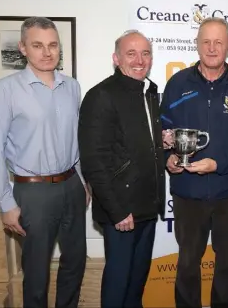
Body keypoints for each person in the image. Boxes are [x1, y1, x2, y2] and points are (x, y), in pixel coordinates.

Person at [0, 17, 90, 308]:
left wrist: (83, 182)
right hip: (33, 193)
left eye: (53, 45)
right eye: (38, 45)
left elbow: (76, 140)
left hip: (71, 186)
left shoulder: (72, 87)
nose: (47, 52)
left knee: (75, 262)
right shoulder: (4, 90)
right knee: (37, 272)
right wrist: (6, 204)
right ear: (23, 48)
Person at [161, 17, 228, 308]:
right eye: (206, 41)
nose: (212, 47)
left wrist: (219, 164)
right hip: (188, 192)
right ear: (196, 45)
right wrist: (167, 157)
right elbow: (163, 132)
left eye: (219, 41)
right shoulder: (177, 83)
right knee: (188, 262)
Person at [77, 30, 165, 308]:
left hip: (147, 206)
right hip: (121, 210)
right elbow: (93, 161)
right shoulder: (100, 95)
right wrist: (117, 210)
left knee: (137, 281)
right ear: (116, 58)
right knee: (118, 282)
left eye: (146, 53)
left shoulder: (149, 91)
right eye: (131, 53)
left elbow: (136, 144)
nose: (140, 60)